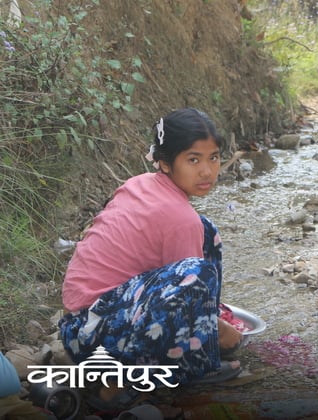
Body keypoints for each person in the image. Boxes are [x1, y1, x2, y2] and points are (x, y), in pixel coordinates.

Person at [58, 108, 244, 410]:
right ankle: (123, 385)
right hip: (97, 342)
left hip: (80, 329)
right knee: (195, 271)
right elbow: (188, 288)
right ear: (165, 162)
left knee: (206, 230)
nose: (207, 171)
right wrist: (225, 335)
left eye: (214, 157)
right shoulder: (178, 217)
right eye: (193, 159)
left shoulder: (142, 183)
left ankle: (192, 348)